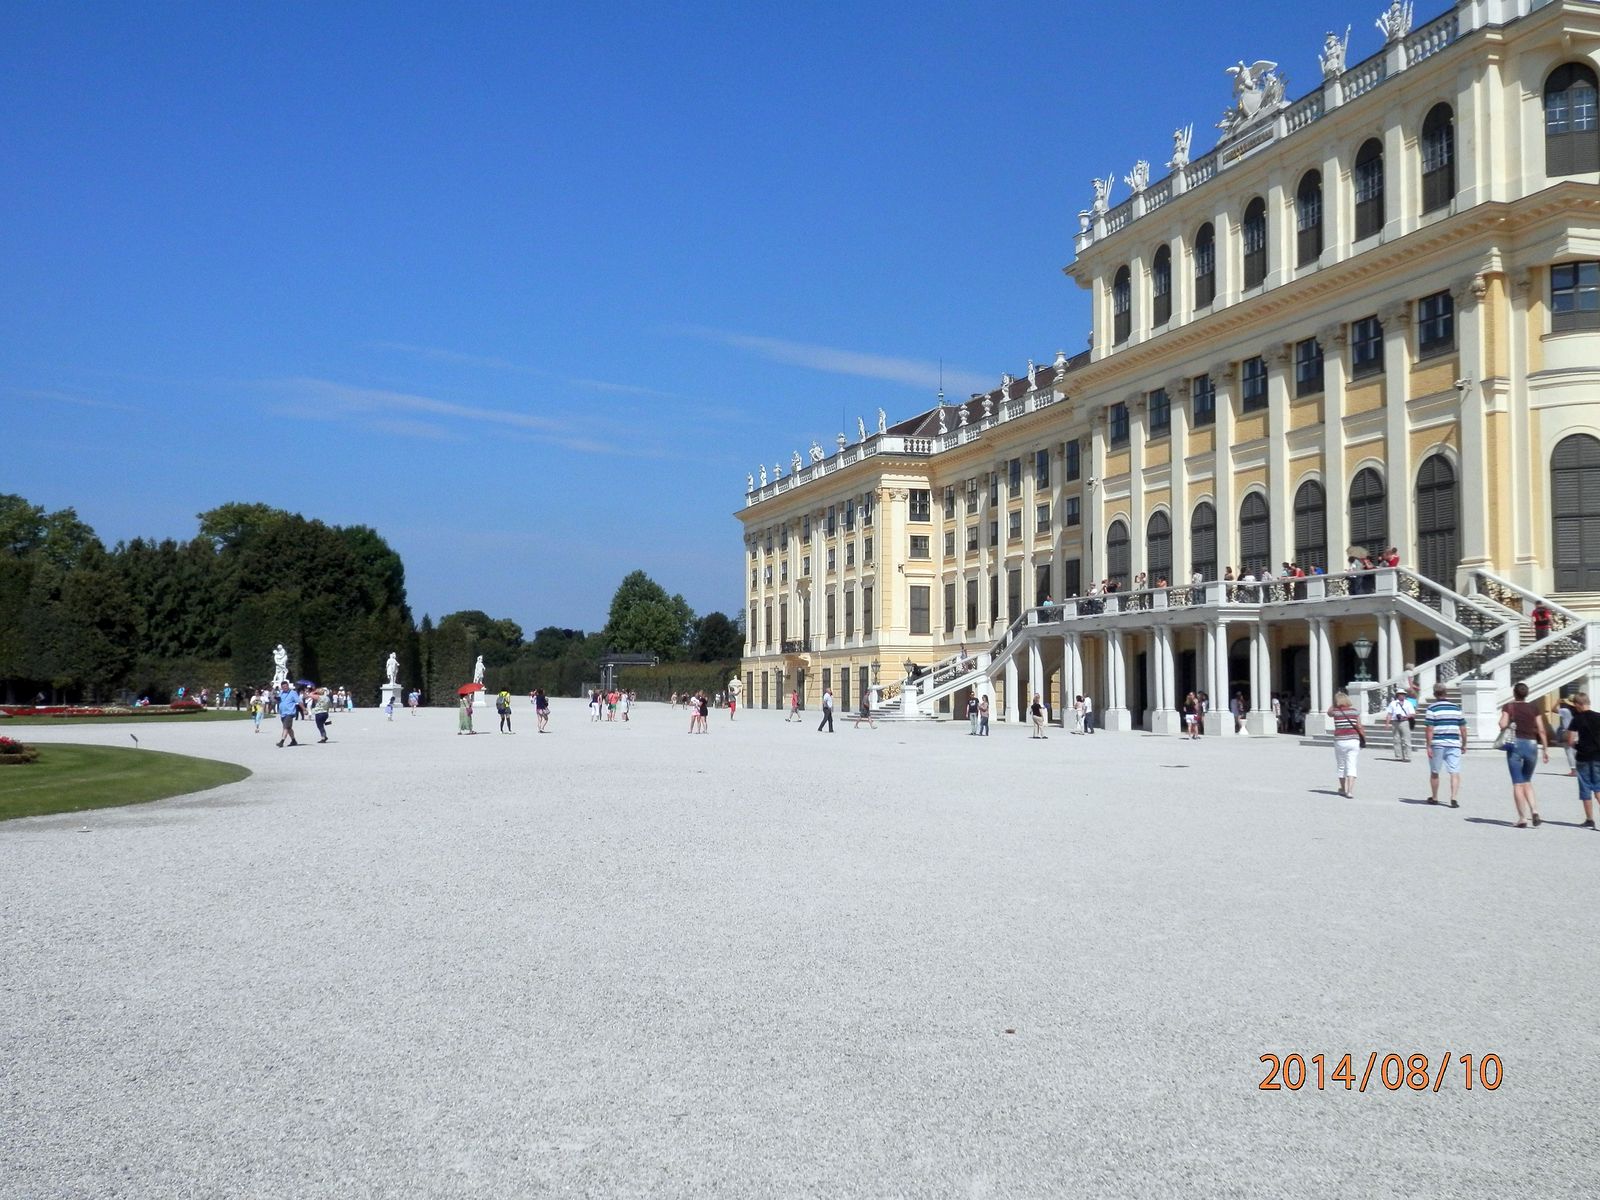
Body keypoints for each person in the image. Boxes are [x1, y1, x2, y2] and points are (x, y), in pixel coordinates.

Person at [1498, 681, 1548, 827]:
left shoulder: (1509, 706)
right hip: (1532, 744)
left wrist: (1507, 724)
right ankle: (1535, 811)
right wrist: (1545, 748)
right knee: (1527, 780)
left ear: (1514, 693)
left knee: (1517, 783)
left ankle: (1522, 818)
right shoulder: (1534, 708)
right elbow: (1541, 729)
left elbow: (1502, 724)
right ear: (1527, 694)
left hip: (1515, 744)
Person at [1422, 683, 1467, 807]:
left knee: (1435, 771)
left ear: (1435, 694)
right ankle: (1453, 798)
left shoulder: (1432, 708)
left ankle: (1435, 797)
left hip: (1438, 743)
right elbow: (1463, 728)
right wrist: (1464, 743)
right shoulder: (1456, 708)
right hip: (1454, 743)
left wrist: (1428, 746)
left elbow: (1429, 729)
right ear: (1446, 693)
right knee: (1454, 771)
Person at [1563, 692, 1600, 828]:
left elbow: (1570, 740)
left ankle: (1590, 819)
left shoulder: (1576, 719)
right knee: (1598, 787)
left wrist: (1577, 745)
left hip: (1583, 757)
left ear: (1578, 705)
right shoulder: (1598, 716)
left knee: (1585, 787)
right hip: (1598, 756)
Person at [1327, 690, 1364, 797]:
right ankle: (1350, 791)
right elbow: (1360, 726)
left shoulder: (1336, 712)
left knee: (1341, 765)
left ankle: (1343, 788)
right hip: (1353, 740)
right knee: (1352, 765)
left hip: (1340, 740)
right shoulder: (1355, 711)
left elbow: (1328, 712)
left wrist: (1334, 703)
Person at [1386, 690, 1413, 762]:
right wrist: (1387, 723)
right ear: (1398, 695)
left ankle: (1407, 756)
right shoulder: (1393, 703)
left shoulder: (1408, 703)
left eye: (1404, 694)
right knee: (1396, 739)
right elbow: (1389, 714)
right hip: (1395, 721)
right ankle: (1398, 756)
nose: (1403, 695)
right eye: (1401, 694)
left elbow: (1412, 713)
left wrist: (1406, 716)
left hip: (1404, 721)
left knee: (1406, 739)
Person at [275, 682, 301, 748]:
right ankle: (293, 740)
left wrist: (304, 709)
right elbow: (280, 701)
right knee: (289, 728)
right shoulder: (281, 693)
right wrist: (277, 699)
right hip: (283, 713)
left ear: (288, 686)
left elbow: (299, 701)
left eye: (286, 686)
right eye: (283, 687)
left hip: (289, 713)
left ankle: (281, 741)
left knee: (285, 727)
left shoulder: (293, 693)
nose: (285, 688)